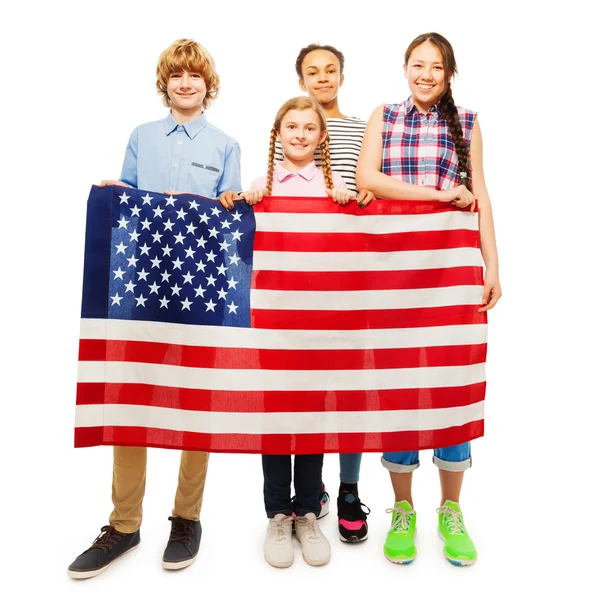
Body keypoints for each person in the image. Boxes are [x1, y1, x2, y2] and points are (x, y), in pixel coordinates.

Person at [68, 38, 241, 579]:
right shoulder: (141, 136)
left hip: (200, 291)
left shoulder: (226, 145)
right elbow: (131, 204)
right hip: (142, 288)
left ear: (207, 84)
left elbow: (232, 224)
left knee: (195, 405)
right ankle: (124, 524)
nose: (185, 84)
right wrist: (112, 193)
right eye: (176, 76)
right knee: (130, 399)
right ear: (165, 83)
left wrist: (237, 202)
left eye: (194, 76)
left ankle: (186, 519)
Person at [356, 32, 502, 566]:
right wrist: (439, 195)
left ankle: (450, 509)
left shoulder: (467, 121)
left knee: (450, 383)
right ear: (404, 68)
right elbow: (367, 177)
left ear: (448, 74)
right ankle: (402, 509)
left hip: (450, 269)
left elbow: (481, 192)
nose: (425, 74)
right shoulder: (384, 115)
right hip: (393, 270)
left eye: (435, 67)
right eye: (417, 65)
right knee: (398, 385)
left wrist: (493, 264)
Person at [221, 95, 353, 567]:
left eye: (308, 127)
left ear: (321, 137)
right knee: (277, 416)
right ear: (278, 135)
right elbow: (239, 241)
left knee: (312, 415)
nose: (299, 134)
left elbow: (363, 236)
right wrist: (239, 202)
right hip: (274, 321)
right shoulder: (262, 187)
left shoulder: (336, 187)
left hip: (319, 321)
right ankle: (278, 512)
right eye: (290, 127)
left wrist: (353, 201)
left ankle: (307, 512)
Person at [279, 42, 373, 544]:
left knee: (350, 387)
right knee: (307, 388)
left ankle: (349, 488)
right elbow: (280, 198)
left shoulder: (360, 129)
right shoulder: (291, 124)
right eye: (312, 72)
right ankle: (307, 492)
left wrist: (361, 195)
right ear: (301, 80)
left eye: (330, 70)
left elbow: (369, 185)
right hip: (301, 279)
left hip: (349, 271)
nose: (322, 78)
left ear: (341, 75)